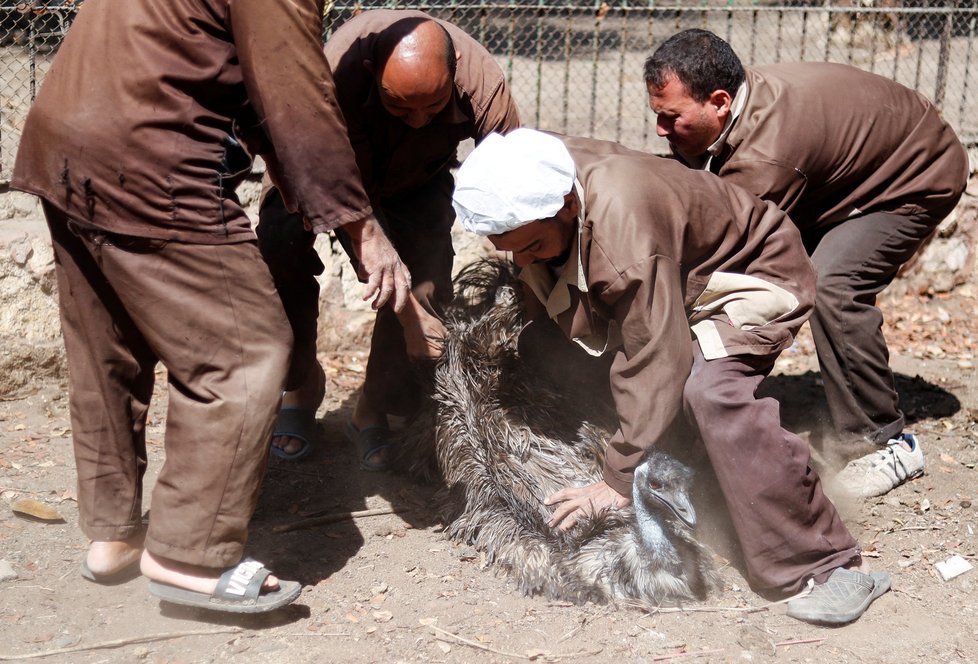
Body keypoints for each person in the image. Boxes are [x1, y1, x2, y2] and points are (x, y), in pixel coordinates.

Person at [11, 0, 410, 614]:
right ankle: (186, 558)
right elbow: (296, 100)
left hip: (64, 144)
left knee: (107, 350)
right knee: (247, 351)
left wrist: (294, 174)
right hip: (147, 160)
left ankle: (112, 536)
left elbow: (238, 77)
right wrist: (363, 231)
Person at [452, 128, 891, 625]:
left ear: (568, 207)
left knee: (711, 394)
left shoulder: (623, 238)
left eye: (531, 245)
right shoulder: (531, 168)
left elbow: (656, 356)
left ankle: (828, 562)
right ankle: (709, 478)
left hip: (746, 273)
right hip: (674, 271)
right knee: (582, 360)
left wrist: (615, 481)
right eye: (510, 249)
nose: (523, 260)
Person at [643, 29, 969, 498]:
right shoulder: (733, 108)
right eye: (657, 115)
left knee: (833, 284)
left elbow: (723, 256)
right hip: (848, 173)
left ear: (719, 101)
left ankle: (882, 442)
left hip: (917, 175)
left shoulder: (765, 154)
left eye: (671, 118)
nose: (660, 130)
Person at [258, 9, 520, 466]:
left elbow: (520, 176)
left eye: (433, 106)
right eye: (400, 106)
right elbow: (335, 194)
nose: (418, 120)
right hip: (319, 172)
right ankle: (299, 386)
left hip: (417, 177)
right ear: (370, 75)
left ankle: (372, 407)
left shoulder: (482, 83)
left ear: (454, 71)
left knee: (430, 271)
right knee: (278, 249)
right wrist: (408, 316)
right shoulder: (336, 75)